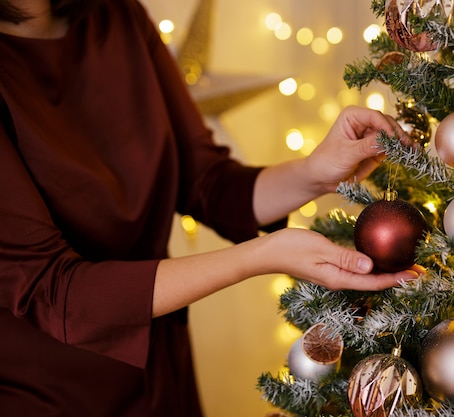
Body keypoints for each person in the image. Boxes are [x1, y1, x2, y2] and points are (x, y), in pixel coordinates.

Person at [0, 0, 423, 416]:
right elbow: (51, 291)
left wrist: (315, 172)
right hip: (50, 391)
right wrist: (260, 256)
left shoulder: (117, 16)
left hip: (161, 371)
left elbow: (205, 180)